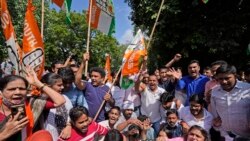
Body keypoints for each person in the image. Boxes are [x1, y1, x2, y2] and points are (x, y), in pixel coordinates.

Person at [0, 66, 65, 140]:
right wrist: (6, 133)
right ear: (1, 92)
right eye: (11, 89)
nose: (18, 92)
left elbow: (60, 101)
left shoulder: (32, 103)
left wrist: (37, 83)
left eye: (22, 89)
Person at [210, 64, 250, 140]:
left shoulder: (247, 89)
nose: (224, 82)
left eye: (227, 78)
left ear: (235, 75)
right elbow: (215, 116)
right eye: (220, 79)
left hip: (246, 136)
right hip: (225, 136)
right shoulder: (215, 92)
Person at [75, 53, 114, 122]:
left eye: (96, 76)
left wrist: (109, 99)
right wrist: (83, 62)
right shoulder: (87, 85)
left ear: (102, 78)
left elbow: (113, 103)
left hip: (100, 120)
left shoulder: (107, 88)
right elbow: (77, 81)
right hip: (86, 120)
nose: (92, 78)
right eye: (91, 76)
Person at [41, 73, 73, 141]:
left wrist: (69, 125)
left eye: (62, 84)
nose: (62, 87)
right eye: (59, 85)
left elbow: (71, 113)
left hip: (66, 137)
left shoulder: (65, 97)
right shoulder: (41, 101)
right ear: (47, 86)